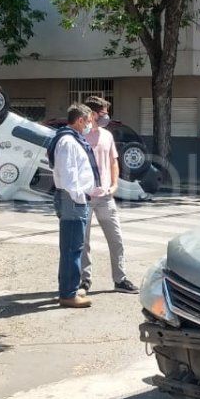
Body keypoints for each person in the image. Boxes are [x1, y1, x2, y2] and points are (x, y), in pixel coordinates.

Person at [79, 97, 138, 295]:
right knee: (82, 242)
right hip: (83, 197)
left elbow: (114, 161)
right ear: (93, 114)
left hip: (105, 196)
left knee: (116, 239)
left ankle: (120, 279)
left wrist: (114, 185)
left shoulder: (107, 135)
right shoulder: (78, 136)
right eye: (103, 113)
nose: (106, 117)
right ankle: (84, 281)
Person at [48, 103, 101, 308]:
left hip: (73, 198)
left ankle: (66, 290)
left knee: (71, 247)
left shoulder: (69, 139)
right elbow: (70, 176)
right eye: (88, 121)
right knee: (72, 248)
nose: (89, 125)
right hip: (72, 200)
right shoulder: (69, 142)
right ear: (80, 120)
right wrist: (81, 197)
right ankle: (69, 294)